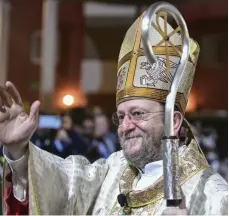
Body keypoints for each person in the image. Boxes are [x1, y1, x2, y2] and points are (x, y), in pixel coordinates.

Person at [0, 10, 228, 215]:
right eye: (121, 117)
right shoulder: (113, 170)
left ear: (174, 121)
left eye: (137, 114)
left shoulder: (213, 197)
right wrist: (18, 148)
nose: (126, 126)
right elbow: (64, 184)